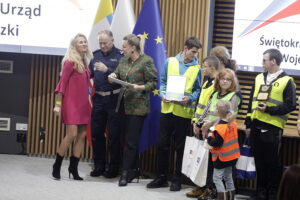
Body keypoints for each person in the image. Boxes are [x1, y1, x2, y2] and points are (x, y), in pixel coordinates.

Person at [147, 37, 202, 191]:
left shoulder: (197, 68)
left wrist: (190, 98)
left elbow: (198, 90)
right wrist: (163, 94)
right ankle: (161, 177)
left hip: (183, 112)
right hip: (167, 108)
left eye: (196, 52)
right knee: (163, 145)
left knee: (180, 147)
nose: (195, 55)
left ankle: (177, 179)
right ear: (185, 48)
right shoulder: (169, 61)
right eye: (192, 51)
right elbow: (162, 81)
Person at [244, 49, 296, 200]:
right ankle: (260, 192)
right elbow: (251, 102)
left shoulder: (287, 80)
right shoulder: (259, 77)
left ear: (273, 61)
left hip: (273, 127)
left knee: (271, 163)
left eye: (264, 60)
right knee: (259, 161)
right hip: (255, 125)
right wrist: (248, 123)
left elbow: (290, 105)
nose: (262, 63)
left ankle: (272, 193)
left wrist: (270, 110)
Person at [108, 34, 157, 187]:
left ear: (133, 48)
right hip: (122, 104)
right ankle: (132, 170)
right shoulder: (123, 61)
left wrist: (140, 87)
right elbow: (117, 73)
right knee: (124, 138)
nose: (122, 50)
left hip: (138, 107)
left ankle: (125, 173)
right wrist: (113, 75)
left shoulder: (146, 61)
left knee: (130, 141)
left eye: (124, 47)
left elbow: (153, 83)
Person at [52, 33, 93, 180]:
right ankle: (56, 166)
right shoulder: (69, 62)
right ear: (74, 46)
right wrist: (58, 104)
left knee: (82, 135)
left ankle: (73, 168)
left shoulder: (85, 62)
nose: (84, 44)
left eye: (85, 42)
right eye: (80, 42)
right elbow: (61, 84)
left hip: (83, 105)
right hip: (71, 104)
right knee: (72, 135)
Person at [195, 68, 242, 200]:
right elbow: (206, 110)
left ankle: (219, 193)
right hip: (210, 131)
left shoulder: (234, 96)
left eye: (228, 79)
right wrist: (198, 124)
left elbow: (228, 117)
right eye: (222, 78)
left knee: (222, 171)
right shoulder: (214, 94)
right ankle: (209, 189)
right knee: (210, 165)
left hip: (221, 134)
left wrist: (210, 124)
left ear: (232, 81)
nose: (225, 81)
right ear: (218, 80)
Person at [89, 30, 123, 178]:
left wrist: (107, 69)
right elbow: (88, 74)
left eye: (105, 43)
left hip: (114, 99)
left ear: (112, 40)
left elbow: (123, 76)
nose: (103, 46)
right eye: (100, 43)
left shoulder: (120, 56)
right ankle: (99, 165)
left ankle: (114, 167)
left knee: (114, 136)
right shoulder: (95, 55)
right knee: (96, 134)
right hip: (98, 99)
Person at [186, 56, 220, 199]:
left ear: (212, 68)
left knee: (209, 161)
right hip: (199, 124)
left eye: (205, 66)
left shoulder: (217, 84)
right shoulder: (206, 81)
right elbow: (200, 104)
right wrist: (195, 121)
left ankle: (209, 188)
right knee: (200, 159)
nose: (202, 68)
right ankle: (201, 185)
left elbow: (209, 107)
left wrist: (201, 124)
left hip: (209, 126)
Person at [207, 101, 240, 200]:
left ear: (217, 112)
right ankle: (230, 197)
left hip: (221, 158)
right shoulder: (233, 123)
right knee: (228, 177)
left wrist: (209, 138)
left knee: (217, 178)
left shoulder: (220, 127)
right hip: (232, 157)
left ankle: (222, 198)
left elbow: (217, 143)